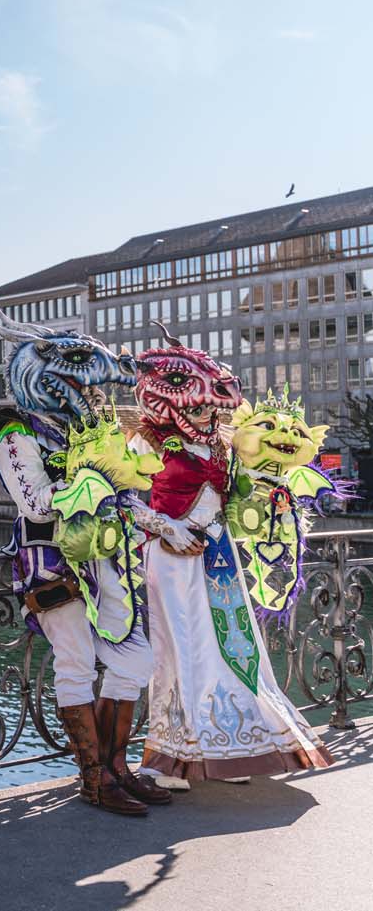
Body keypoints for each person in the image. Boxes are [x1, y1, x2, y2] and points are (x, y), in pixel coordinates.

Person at [0, 306, 169, 815]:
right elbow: (35, 504)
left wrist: (161, 522)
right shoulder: (14, 430)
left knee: (135, 660)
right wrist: (87, 482)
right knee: (77, 663)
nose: (94, 390)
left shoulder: (85, 428)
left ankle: (117, 767)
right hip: (51, 563)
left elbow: (123, 494)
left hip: (106, 559)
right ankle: (94, 779)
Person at [129, 331, 333, 787]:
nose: (205, 414)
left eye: (210, 408)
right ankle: (174, 758)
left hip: (220, 554)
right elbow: (122, 499)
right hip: (172, 557)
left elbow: (241, 493)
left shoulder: (220, 443)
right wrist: (167, 528)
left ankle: (234, 747)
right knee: (180, 648)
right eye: (197, 407)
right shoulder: (149, 441)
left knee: (232, 646)